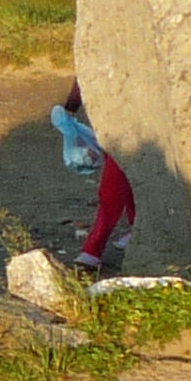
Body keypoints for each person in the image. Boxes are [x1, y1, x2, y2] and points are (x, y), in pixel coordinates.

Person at [54, 81, 133, 274]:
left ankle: (93, 249)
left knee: (115, 186)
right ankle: (134, 229)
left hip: (126, 120)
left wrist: (70, 108)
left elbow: (84, 75)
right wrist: (71, 107)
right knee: (125, 180)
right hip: (123, 119)